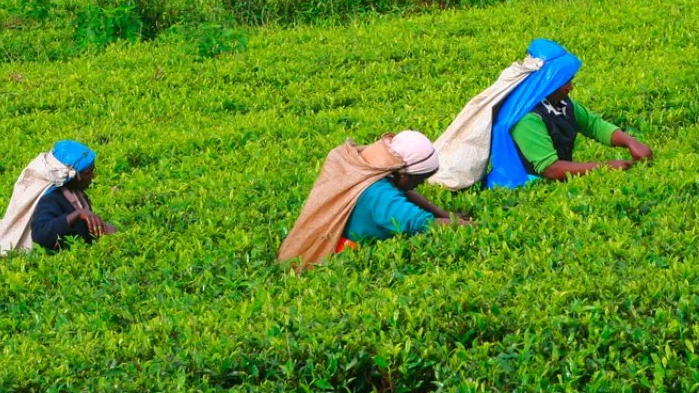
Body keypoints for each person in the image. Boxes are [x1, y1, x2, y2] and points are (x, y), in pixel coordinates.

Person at [278, 130, 469, 271]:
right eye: (419, 179)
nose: (417, 185)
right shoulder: (380, 195)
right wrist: (475, 226)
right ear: (403, 175)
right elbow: (420, 222)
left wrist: (445, 214)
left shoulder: (368, 168)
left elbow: (405, 191)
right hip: (341, 257)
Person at [486, 39, 652, 188]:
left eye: (570, 80)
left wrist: (630, 142)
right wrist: (605, 167)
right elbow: (550, 169)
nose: (570, 87)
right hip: (524, 183)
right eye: (564, 82)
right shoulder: (527, 118)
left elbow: (593, 124)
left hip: (557, 178)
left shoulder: (562, 103)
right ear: (547, 84)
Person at [30, 139, 117, 251]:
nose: (93, 176)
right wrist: (77, 214)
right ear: (72, 175)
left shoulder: (75, 193)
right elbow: (40, 235)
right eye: (88, 173)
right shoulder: (49, 199)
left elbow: (80, 228)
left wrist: (103, 227)